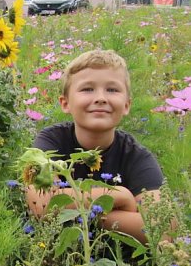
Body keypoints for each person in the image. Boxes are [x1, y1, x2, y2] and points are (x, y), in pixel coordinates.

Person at [26, 49, 164, 244]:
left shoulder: (136, 156)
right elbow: (41, 203)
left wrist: (74, 210)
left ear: (126, 105)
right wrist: (119, 197)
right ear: (65, 103)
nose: (100, 97)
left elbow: (162, 229)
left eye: (112, 90)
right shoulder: (50, 141)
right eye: (87, 89)